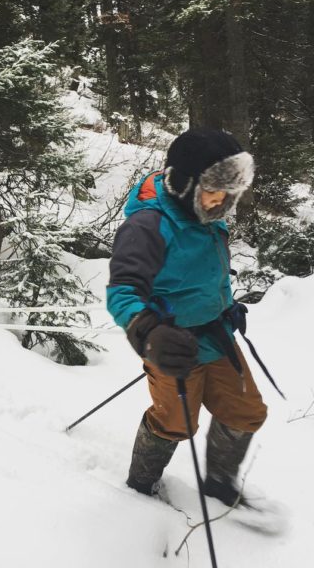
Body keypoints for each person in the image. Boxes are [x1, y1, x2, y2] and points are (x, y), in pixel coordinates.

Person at [106, 128, 267, 507]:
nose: (220, 202)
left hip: (216, 336)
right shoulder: (148, 226)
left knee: (245, 412)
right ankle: (140, 486)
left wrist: (224, 305)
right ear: (184, 182)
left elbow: (203, 272)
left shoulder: (208, 213)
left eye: (229, 193)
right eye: (213, 190)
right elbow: (123, 290)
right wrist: (148, 333)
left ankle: (219, 484)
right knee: (176, 422)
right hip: (171, 344)